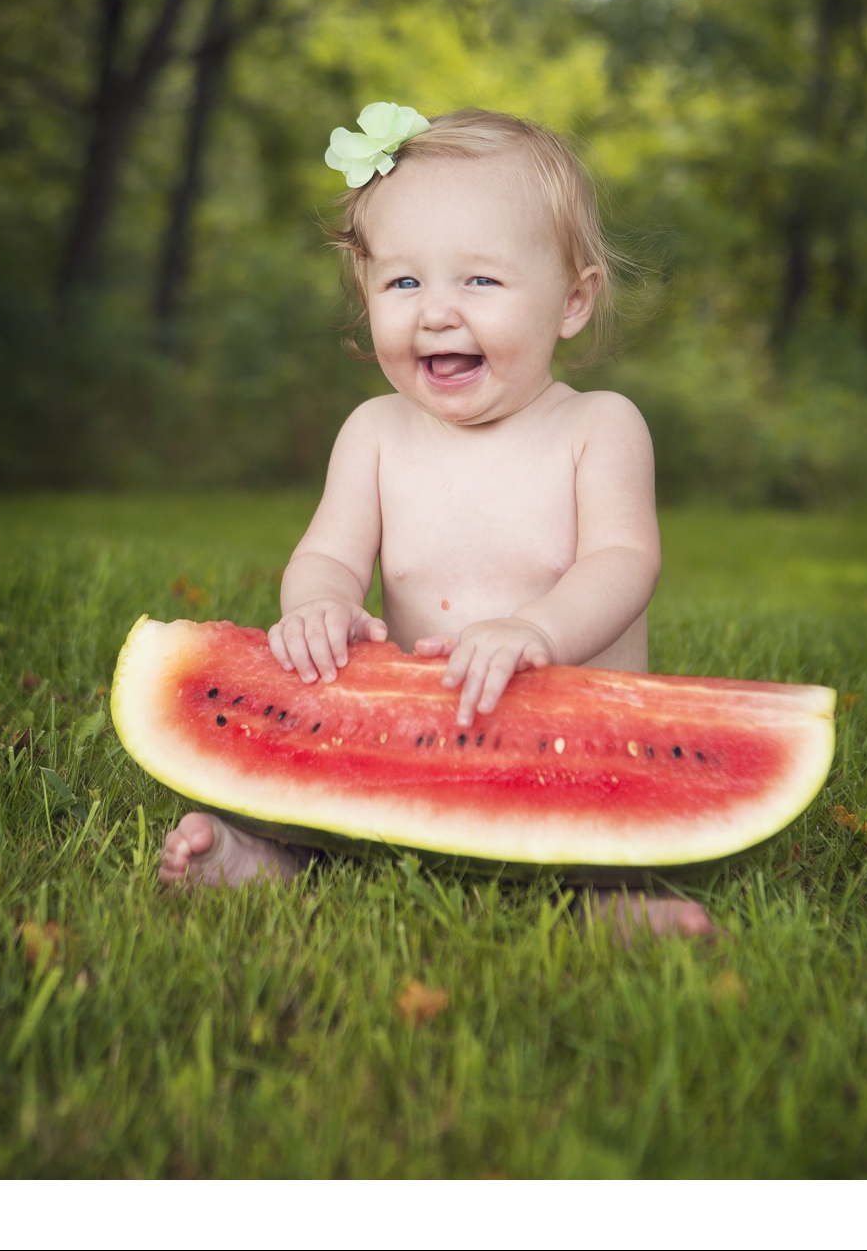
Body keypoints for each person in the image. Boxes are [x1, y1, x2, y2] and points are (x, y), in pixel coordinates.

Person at [158, 104, 708, 938]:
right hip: (410, 730)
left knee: (600, 832)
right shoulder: (374, 432)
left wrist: (538, 630)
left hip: (572, 737)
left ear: (572, 300)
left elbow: (624, 559)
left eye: (479, 280)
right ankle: (253, 857)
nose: (437, 312)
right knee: (307, 790)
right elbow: (328, 555)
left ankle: (615, 899)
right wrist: (320, 603)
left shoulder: (600, 425)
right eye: (403, 282)